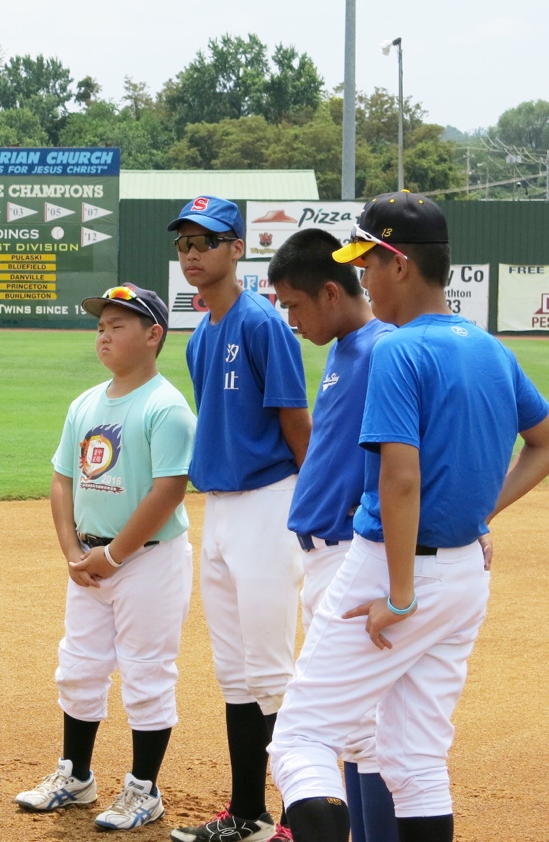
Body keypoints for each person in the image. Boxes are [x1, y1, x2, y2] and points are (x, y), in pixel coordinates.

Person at [268, 192, 549, 842]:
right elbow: (542, 443)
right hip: (465, 576)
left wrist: (398, 595)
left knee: (301, 740)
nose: (360, 277)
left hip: (395, 570)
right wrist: (484, 514)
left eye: (367, 261)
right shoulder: (489, 349)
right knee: (415, 759)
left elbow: (399, 480)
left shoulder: (396, 351)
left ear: (398, 263)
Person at [14, 285, 196, 832]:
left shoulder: (166, 407)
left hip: (148, 562)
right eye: (100, 326)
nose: (105, 335)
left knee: (147, 674)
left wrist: (113, 557)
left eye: (118, 325)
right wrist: (74, 550)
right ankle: (76, 775)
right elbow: (62, 478)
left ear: (153, 335)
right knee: (79, 667)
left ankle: (144, 789)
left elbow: (169, 490)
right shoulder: (85, 403)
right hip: (90, 561)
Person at [166, 196, 312, 842]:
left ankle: (295, 819)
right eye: (183, 243)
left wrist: (311, 507)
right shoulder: (201, 337)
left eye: (206, 240)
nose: (192, 253)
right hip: (219, 512)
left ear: (236, 248)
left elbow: (295, 423)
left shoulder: (262, 324)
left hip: (269, 505)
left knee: (274, 673)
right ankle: (247, 813)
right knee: (236, 673)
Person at [268, 228, 397, 842]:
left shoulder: (379, 350)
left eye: (293, 305)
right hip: (324, 554)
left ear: (328, 292)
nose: (290, 319)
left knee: (361, 730)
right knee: (354, 728)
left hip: (351, 552)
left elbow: (414, 457)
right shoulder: (347, 347)